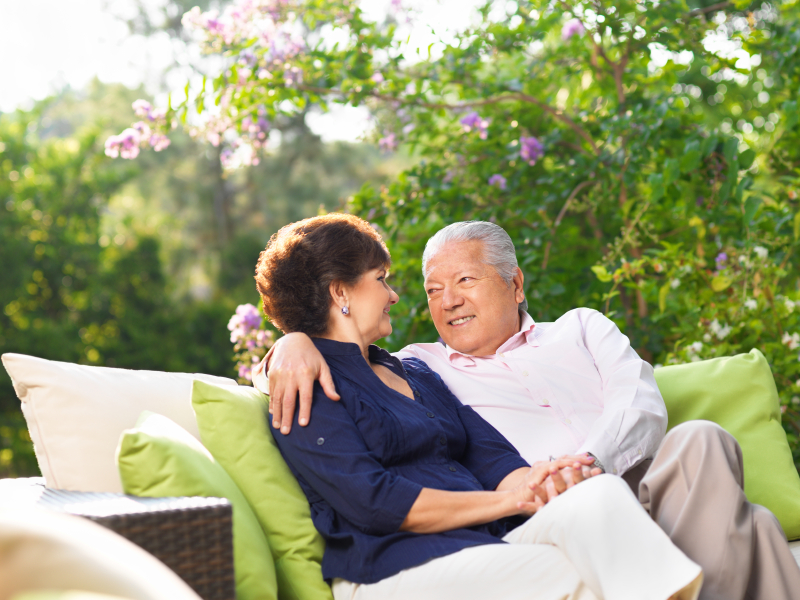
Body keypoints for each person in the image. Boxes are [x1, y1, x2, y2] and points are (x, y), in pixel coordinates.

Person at [257, 220, 800, 600]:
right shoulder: (319, 378)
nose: (403, 297)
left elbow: (493, 453)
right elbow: (372, 500)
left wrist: (544, 479)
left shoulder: (413, 371)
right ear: (340, 292)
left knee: (649, 469)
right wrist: (290, 343)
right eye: (387, 281)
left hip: (540, 512)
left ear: (514, 283)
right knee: (744, 531)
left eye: (464, 280)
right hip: (400, 556)